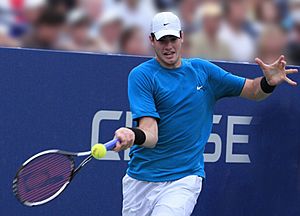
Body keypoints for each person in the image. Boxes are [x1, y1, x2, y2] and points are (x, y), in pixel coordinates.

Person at [113, 12, 298, 216]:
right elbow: (151, 134)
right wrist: (134, 134)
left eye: (173, 39)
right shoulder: (141, 76)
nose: (168, 46)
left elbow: (253, 90)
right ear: (151, 40)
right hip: (140, 180)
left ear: (182, 37)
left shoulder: (204, 72)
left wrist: (267, 82)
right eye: (162, 40)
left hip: (183, 179)